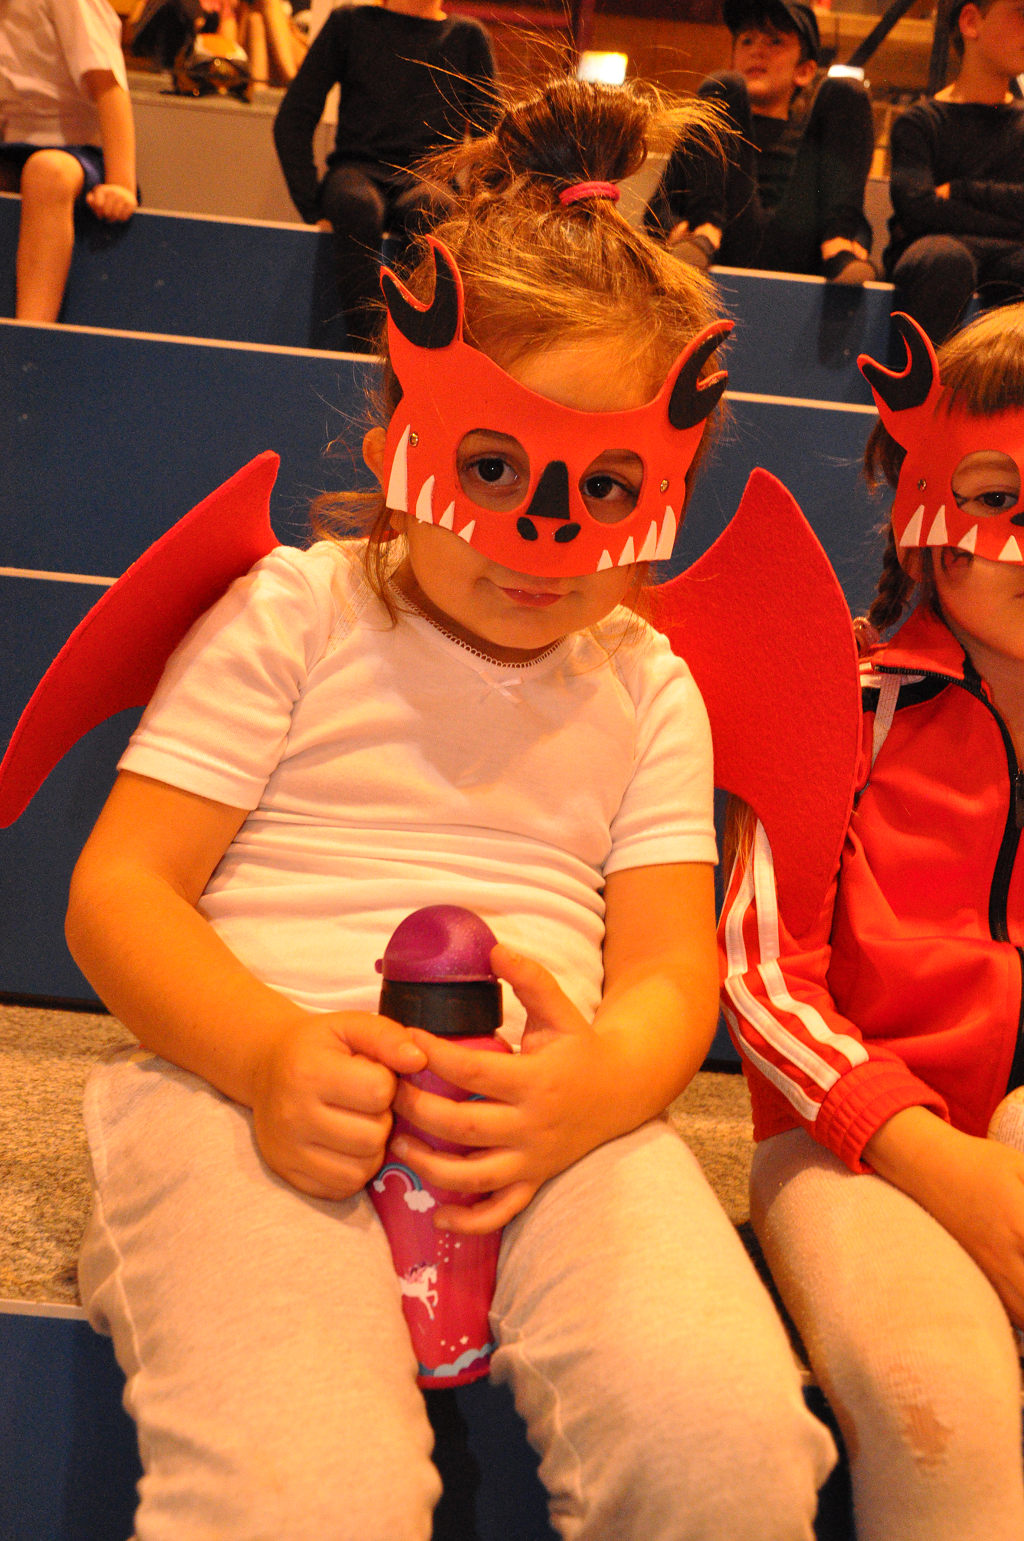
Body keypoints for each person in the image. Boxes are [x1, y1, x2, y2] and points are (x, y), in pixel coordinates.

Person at [65, 76, 836, 1541]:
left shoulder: (647, 685)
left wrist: (595, 1090)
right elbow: (120, 892)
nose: (542, 535)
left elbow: (668, 974)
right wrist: (266, 1051)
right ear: (397, 445)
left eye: (606, 486)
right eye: (490, 466)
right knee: (306, 1485)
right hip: (244, 1090)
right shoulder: (295, 614)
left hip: (547, 1118)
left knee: (723, 1437)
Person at [720, 302, 1024, 1540]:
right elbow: (761, 977)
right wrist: (943, 1164)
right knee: (936, 1406)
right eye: (997, 496)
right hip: (846, 1141)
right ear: (922, 511)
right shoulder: (837, 705)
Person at [273, 0, 497, 352]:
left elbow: (492, 142)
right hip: (358, 171)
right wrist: (311, 207)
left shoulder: (467, 37)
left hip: (431, 177)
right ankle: (370, 351)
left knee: (432, 209)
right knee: (357, 204)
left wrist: (477, 214)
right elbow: (293, 117)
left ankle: (416, 350)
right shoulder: (350, 24)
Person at [646, 0, 876, 283]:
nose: (757, 50)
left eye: (775, 41)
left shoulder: (815, 138)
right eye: (747, 40)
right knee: (721, 86)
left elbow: (848, 205)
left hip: (804, 248)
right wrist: (676, 229)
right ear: (733, 61)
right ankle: (705, 231)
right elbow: (659, 206)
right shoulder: (709, 127)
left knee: (846, 90)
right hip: (720, 244)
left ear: (804, 71)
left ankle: (838, 247)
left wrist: (856, 239)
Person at [884, 0, 1024, 344]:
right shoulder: (920, 122)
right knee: (943, 258)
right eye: (1021, 12)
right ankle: (924, 378)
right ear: (971, 21)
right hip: (939, 256)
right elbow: (917, 210)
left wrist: (961, 191)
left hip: (1009, 258)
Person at [0, 0, 137, 323]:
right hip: (12, 146)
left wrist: (122, 185)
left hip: (77, 150)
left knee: (46, 172)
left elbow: (109, 87)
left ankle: (32, 331)